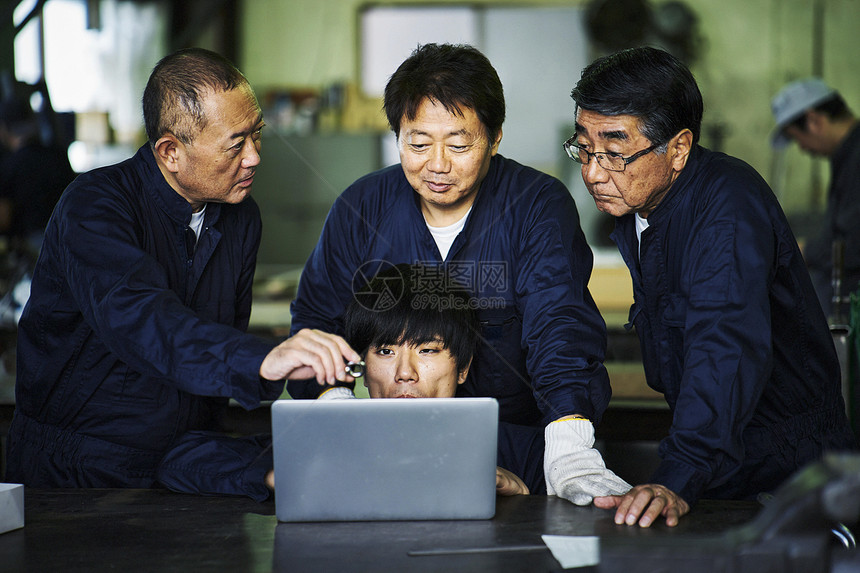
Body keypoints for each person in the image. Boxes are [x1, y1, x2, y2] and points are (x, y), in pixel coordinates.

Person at [287, 43, 630, 506]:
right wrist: (340, 412)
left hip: (513, 443)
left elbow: (559, 326)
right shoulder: (361, 205)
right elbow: (316, 322)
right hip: (386, 443)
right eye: (418, 143)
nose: (438, 164)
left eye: (459, 144)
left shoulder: (535, 205)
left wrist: (569, 447)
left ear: (495, 137)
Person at [4, 48, 361, 489]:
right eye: (235, 143)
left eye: (257, 135)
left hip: (183, 456)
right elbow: (141, 319)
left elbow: (220, 338)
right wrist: (262, 359)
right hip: (78, 465)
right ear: (170, 151)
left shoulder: (239, 217)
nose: (253, 157)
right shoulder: (95, 206)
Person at [565, 46, 857, 528]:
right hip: (727, 458)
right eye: (585, 148)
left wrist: (681, 472)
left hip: (786, 474)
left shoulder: (727, 208)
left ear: (678, 148)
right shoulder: (643, 211)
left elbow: (724, 343)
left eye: (615, 152)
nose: (594, 172)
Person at [157, 263, 545, 498]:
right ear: (359, 362)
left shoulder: (523, 451)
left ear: (463, 367)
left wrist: (525, 495)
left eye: (427, 351)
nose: (405, 373)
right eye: (386, 351)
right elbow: (178, 461)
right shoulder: (328, 447)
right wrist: (276, 476)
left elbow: (594, 498)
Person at [770, 78, 860, 319]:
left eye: (797, 137)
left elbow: (853, 245)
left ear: (814, 120)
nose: (802, 148)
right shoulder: (846, 156)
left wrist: (806, 251)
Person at [0, 91, 75, 256]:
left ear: (4, 129)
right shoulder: (58, 156)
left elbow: (4, 218)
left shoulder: (9, 167)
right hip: (69, 241)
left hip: (32, 251)